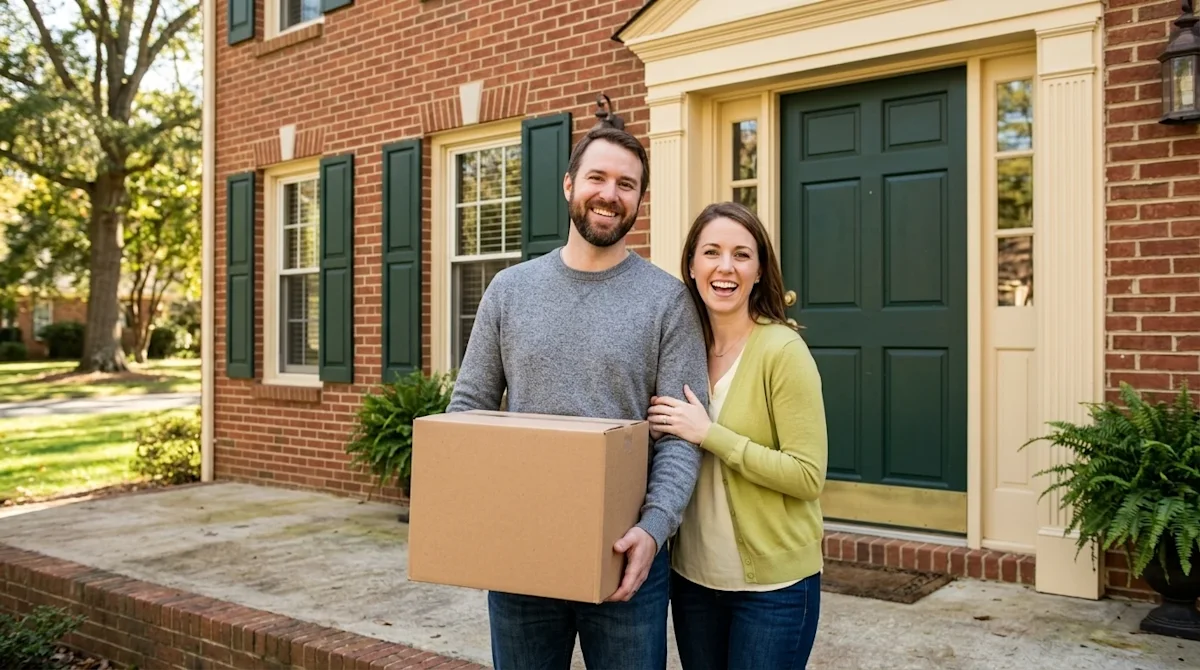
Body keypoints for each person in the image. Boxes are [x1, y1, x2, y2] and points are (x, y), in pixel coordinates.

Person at [445, 125, 709, 670]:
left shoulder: (668, 302)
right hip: (521, 549)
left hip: (624, 556)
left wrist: (653, 530)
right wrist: (476, 519)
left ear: (639, 199)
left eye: (627, 184)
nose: (610, 194)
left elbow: (681, 437)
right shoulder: (509, 291)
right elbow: (467, 409)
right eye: (598, 177)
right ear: (569, 185)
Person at [648, 201, 828, 670]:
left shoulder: (782, 351)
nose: (725, 267)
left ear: (759, 269)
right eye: (711, 252)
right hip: (692, 581)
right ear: (691, 265)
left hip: (773, 591)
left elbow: (808, 475)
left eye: (741, 255)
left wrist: (711, 435)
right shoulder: (678, 348)